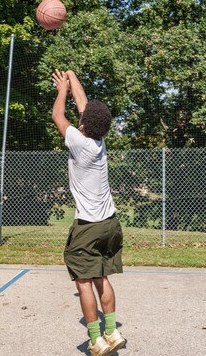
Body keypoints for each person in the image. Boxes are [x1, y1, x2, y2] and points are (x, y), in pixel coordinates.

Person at [51, 69, 127, 356]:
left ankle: (95, 340)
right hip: (110, 224)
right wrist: (71, 75)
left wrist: (61, 89)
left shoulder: (79, 142)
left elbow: (59, 116)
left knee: (83, 281)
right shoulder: (98, 140)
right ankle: (113, 331)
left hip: (89, 225)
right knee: (101, 277)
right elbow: (85, 108)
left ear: (83, 124)